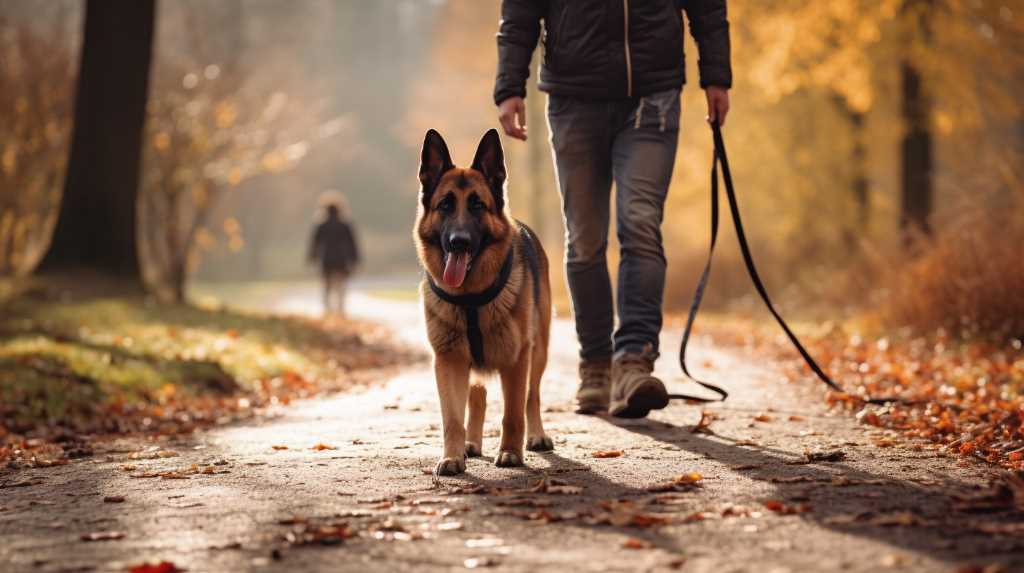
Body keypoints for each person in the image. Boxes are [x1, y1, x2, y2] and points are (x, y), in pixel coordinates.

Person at [494, 0, 732, 418]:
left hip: (652, 93)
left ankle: (633, 362)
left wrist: (716, 74)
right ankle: (596, 366)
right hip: (572, 96)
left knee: (639, 222)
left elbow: (708, 7)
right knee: (585, 239)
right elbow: (520, 11)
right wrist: (510, 85)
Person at [308, 193, 360, 316]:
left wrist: (312, 257)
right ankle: (340, 311)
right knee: (340, 288)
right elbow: (352, 244)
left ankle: (327, 311)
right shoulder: (345, 225)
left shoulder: (321, 225)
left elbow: (315, 244)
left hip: (326, 260)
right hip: (341, 261)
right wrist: (355, 260)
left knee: (327, 288)